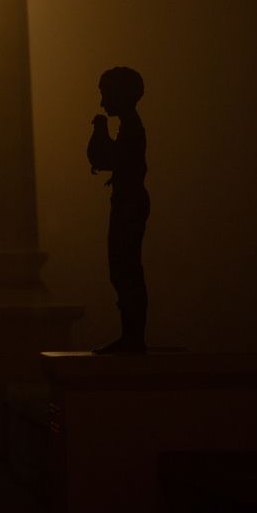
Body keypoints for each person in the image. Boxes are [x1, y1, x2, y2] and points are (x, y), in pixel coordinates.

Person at [87, 67, 150, 353]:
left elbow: (109, 158)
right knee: (123, 271)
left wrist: (99, 131)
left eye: (106, 94)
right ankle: (131, 336)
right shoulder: (129, 126)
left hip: (129, 204)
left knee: (126, 270)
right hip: (128, 202)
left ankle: (133, 338)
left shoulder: (132, 128)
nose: (102, 102)